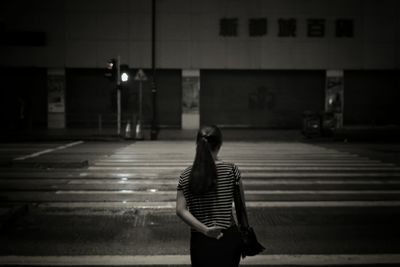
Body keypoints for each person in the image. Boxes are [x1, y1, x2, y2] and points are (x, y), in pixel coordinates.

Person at [176, 125, 245, 267]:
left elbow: (180, 210)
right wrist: (245, 234)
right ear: (220, 145)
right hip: (228, 237)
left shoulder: (186, 175)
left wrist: (205, 230)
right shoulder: (232, 170)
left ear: (197, 144)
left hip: (200, 240)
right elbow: (241, 207)